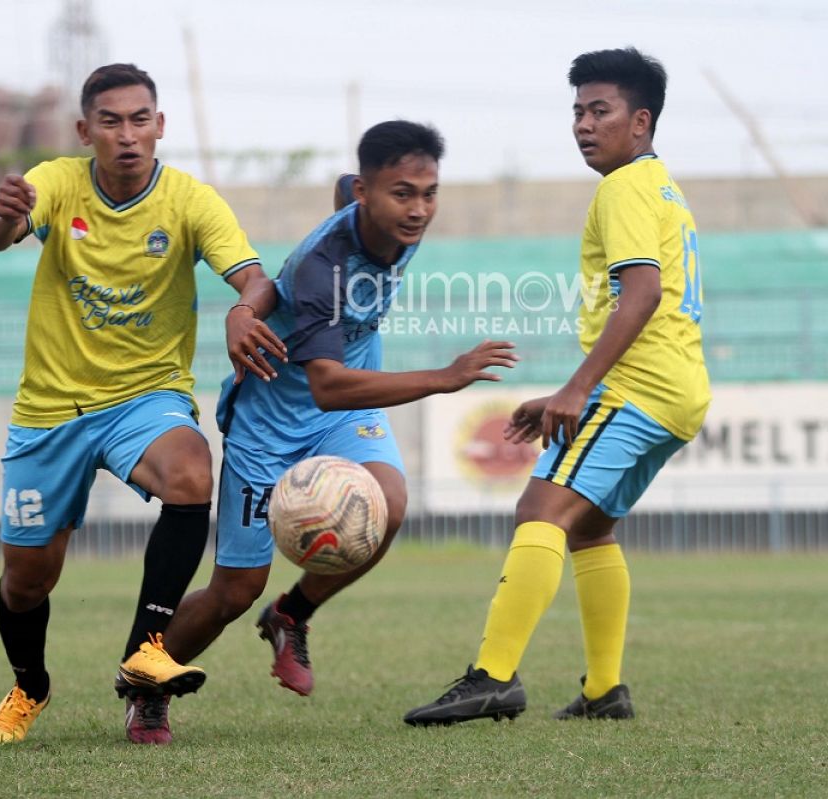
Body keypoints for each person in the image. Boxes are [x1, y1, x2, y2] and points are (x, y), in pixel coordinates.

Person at [157, 121, 517, 727]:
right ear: (365, 192)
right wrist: (445, 376)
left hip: (346, 414)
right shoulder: (326, 267)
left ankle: (291, 615)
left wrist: (251, 305)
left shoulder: (388, 222)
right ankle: (149, 681)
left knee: (389, 505)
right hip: (273, 422)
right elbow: (326, 385)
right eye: (403, 193)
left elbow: (294, 271)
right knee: (233, 591)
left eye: (429, 192)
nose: (419, 209)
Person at [0, 63, 285, 746]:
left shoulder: (190, 200)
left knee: (192, 471)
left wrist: (243, 309)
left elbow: (255, 277)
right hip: (51, 407)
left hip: (145, 397)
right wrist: (4, 216)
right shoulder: (56, 180)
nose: (127, 135)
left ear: (160, 126)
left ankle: (146, 657)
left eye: (140, 119)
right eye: (110, 121)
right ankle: (30, 685)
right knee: (26, 581)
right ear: (85, 130)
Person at [404, 47, 710, 726]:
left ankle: (493, 676)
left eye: (599, 110)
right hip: (676, 390)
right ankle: (605, 689)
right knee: (591, 528)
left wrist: (577, 388)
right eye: (576, 111)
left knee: (538, 510)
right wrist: (569, 392)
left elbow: (643, 294)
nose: (582, 124)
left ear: (641, 120)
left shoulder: (624, 187)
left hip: (638, 387)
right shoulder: (662, 187)